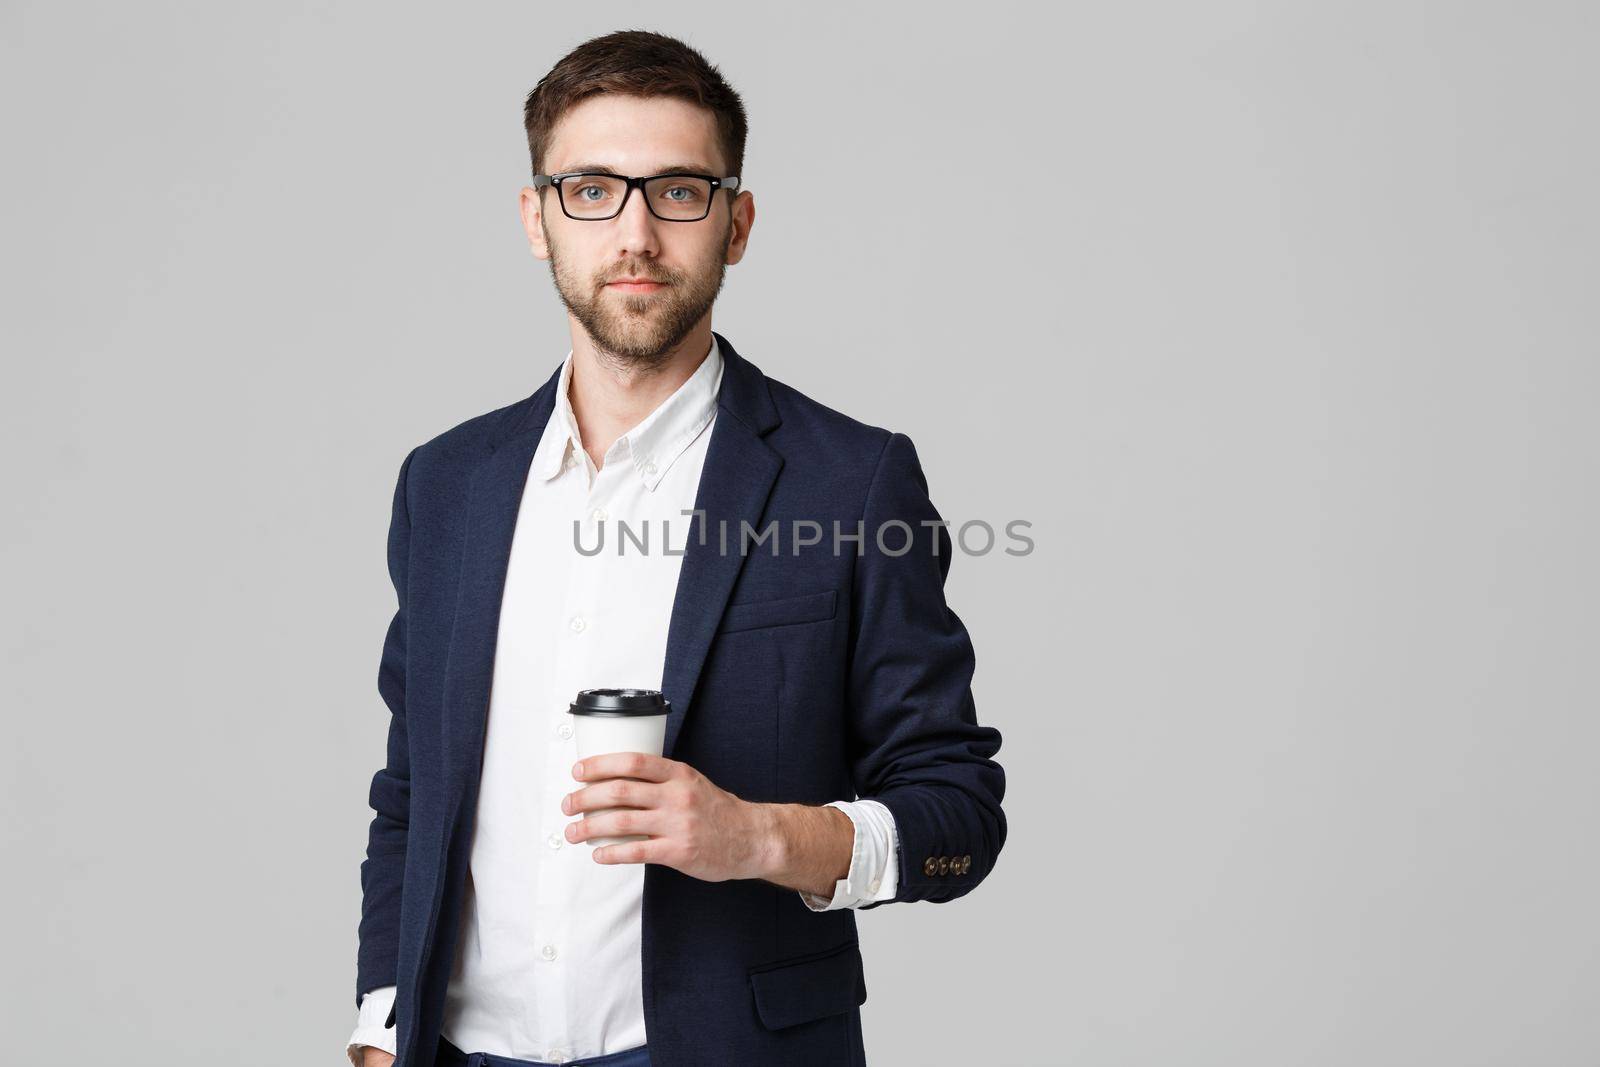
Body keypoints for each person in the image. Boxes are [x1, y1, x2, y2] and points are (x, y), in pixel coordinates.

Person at [348, 29, 1007, 1067]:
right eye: (592, 190)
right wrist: (381, 1023)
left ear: (736, 222)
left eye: (680, 192)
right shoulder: (448, 484)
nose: (637, 234)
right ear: (537, 219)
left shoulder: (852, 481)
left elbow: (956, 812)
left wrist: (756, 838)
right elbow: (411, 789)